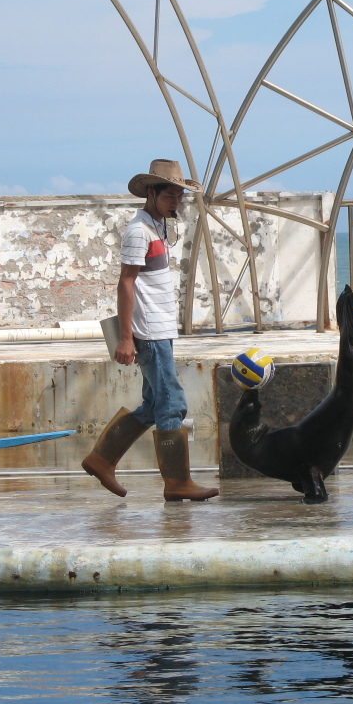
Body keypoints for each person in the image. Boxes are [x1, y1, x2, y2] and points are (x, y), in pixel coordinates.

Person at [82, 159, 218, 501]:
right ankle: (177, 483)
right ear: (151, 192)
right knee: (173, 404)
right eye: (170, 195)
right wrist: (126, 338)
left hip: (161, 327)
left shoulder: (158, 227)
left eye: (180, 197)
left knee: (155, 402)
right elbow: (125, 284)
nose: (176, 202)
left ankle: (101, 459)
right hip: (149, 331)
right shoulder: (138, 231)